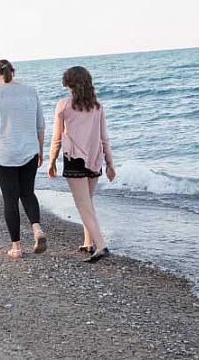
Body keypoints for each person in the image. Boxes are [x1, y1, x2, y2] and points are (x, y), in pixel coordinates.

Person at [0, 59, 47, 259]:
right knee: (28, 193)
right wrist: (40, 149)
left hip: (3, 153)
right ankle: (37, 228)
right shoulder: (31, 92)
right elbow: (40, 125)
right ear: (13, 72)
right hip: (29, 151)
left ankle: (16, 247)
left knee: (10, 198)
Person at [47, 66, 115, 263]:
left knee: (83, 204)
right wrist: (110, 163)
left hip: (74, 159)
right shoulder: (98, 106)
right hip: (95, 158)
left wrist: (52, 161)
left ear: (69, 84)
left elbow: (57, 138)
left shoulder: (64, 105)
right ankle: (88, 242)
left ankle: (101, 244)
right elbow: (105, 139)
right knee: (88, 202)